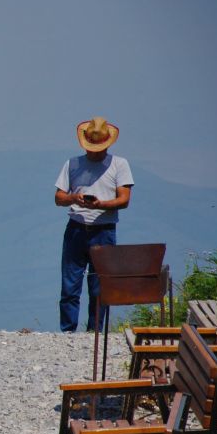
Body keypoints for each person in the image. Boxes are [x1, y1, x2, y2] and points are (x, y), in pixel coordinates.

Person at [54, 116, 134, 332]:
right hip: (76, 229)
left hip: (103, 230)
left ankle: (95, 332)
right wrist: (74, 198)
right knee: (70, 285)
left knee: (99, 287)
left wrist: (101, 204)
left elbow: (124, 199)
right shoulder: (72, 164)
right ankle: (68, 331)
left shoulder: (120, 165)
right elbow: (59, 197)